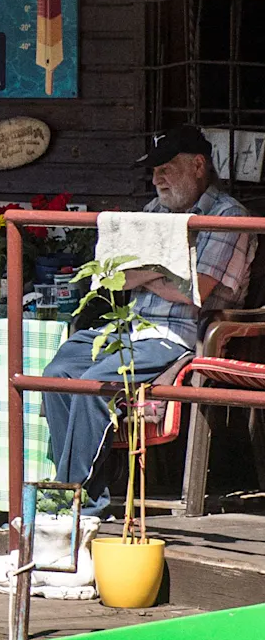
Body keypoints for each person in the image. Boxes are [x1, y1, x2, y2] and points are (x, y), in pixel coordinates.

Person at [41, 127, 255, 512]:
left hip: (176, 335)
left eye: (166, 168)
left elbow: (196, 290)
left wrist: (146, 272)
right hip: (128, 328)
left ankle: (75, 504)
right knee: (56, 373)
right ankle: (76, 491)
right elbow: (112, 276)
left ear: (198, 165)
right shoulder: (153, 212)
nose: (157, 178)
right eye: (154, 170)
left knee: (95, 384)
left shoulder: (229, 216)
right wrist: (164, 274)